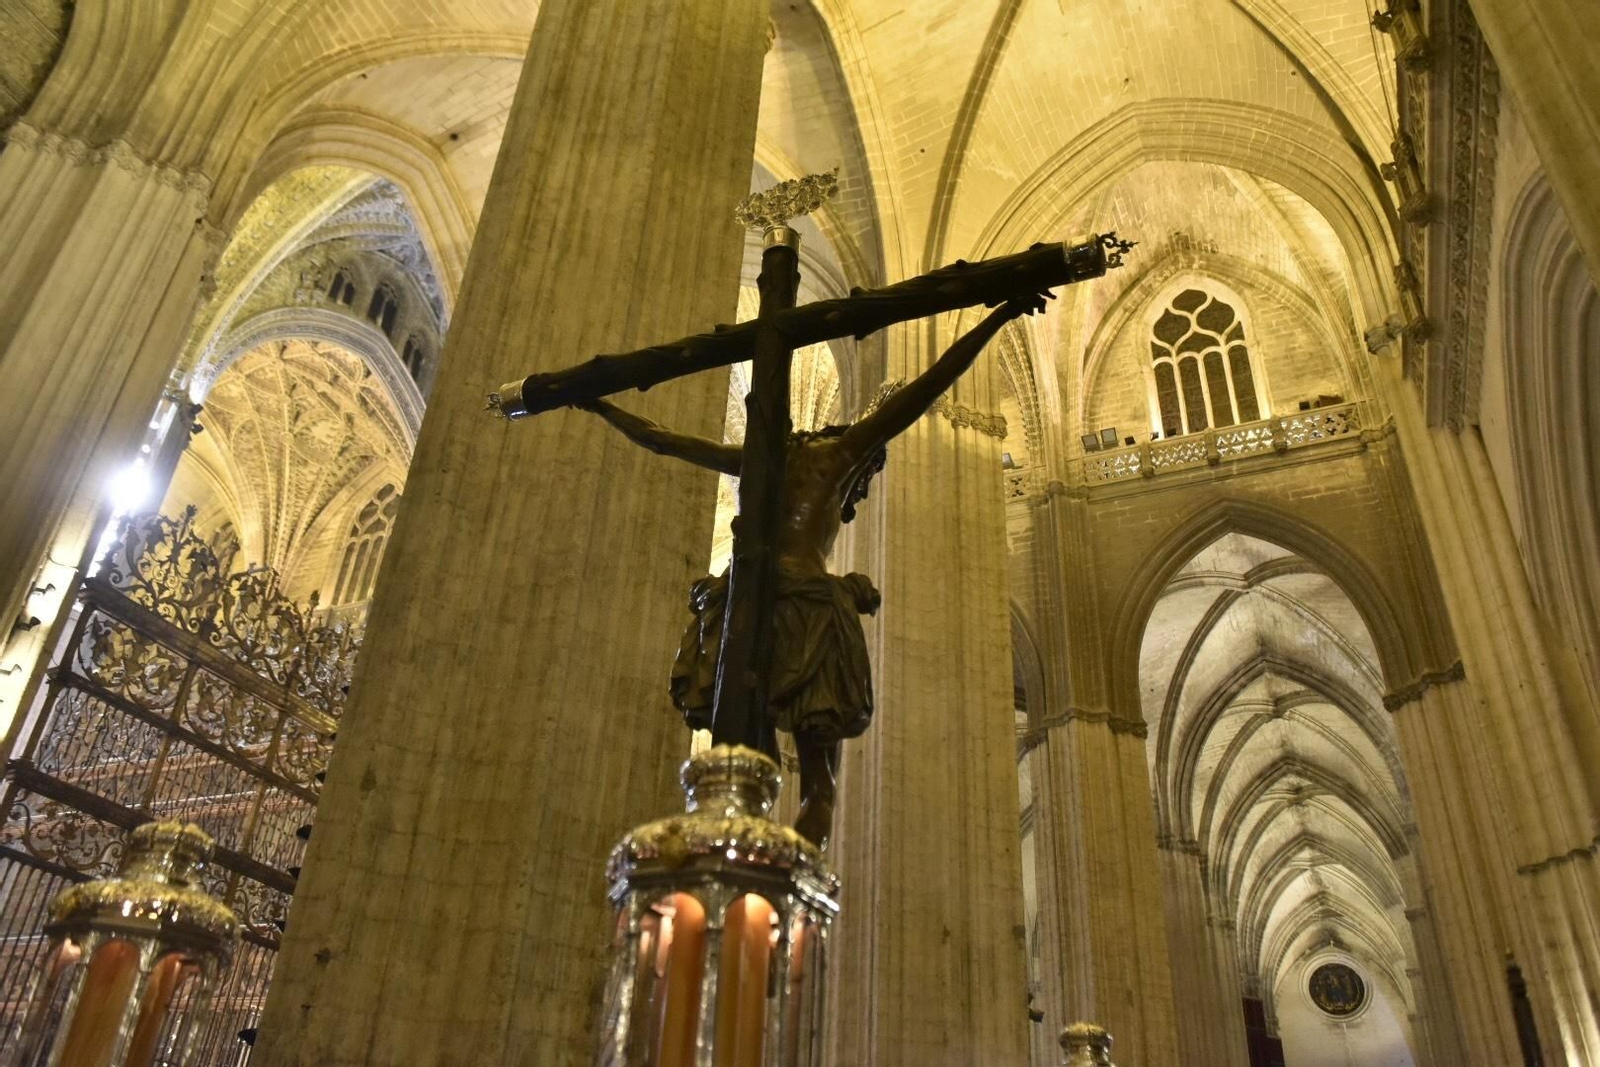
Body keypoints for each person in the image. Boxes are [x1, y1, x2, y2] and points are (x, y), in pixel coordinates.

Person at [574, 292, 1048, 848]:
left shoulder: (769, 459)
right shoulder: (839, 456)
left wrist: (600, 404)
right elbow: (928, 386)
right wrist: (995, 316)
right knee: (816, 781)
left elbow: (660, 440)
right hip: (802, 606)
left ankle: (757, 868)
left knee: (751, 762)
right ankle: (781, 878)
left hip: (743, 604)